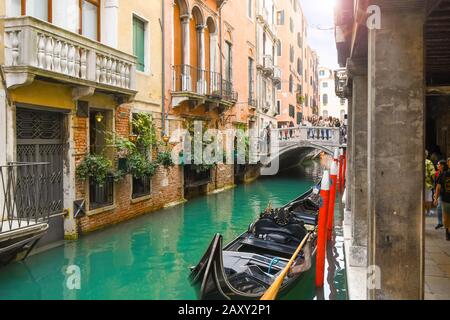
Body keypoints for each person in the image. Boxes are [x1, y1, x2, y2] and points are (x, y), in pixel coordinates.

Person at [434, 162, 450, 241]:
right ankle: (447, 232)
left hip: (445, 199)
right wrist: (436, 198)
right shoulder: (443, 174)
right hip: (446, 199)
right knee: (446, 218)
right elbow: (438, 187)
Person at [435, 160, 448, 230]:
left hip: (444, 193)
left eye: (438, 164)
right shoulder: (437, 173)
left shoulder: (446, 173)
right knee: (439, 207)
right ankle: (440, 223)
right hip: (440, 193)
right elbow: (437, 185)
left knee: (443, 208)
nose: (437, 165)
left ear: (442, 165)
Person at [425, 151, 436, 216]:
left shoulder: (416, 162)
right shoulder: (428, 162)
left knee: (420, 197)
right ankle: (428, 211)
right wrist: (435, 182)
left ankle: (421, 211)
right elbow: (433, 174)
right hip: (427, 183)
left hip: (417, 183)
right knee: (428, 198)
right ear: (426, 155)